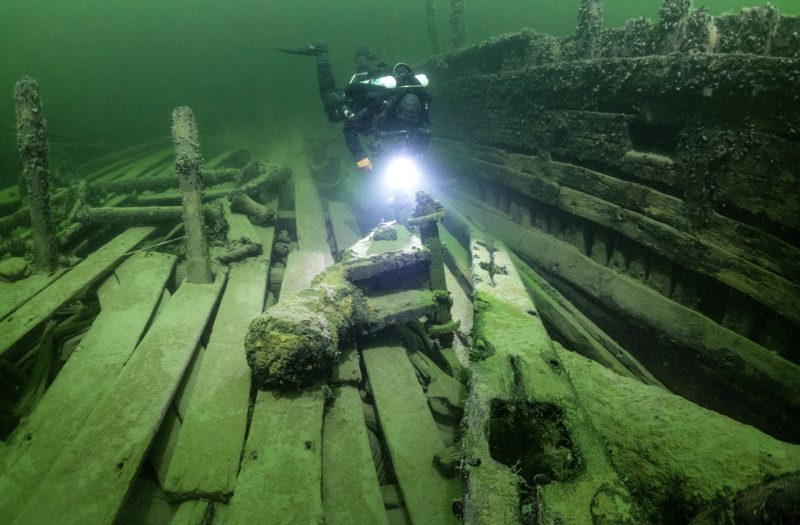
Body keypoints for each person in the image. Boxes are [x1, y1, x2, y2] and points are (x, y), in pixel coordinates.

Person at [277, 43, 432, 172]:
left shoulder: (420, 110)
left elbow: (426, 133)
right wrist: (361, 159)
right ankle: (321, 53)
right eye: (403, 121)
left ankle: (362, 54)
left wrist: (412, 153)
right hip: (362, 102)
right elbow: (349, 129)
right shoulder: (379, 106)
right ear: (396, 110)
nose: (407, 124)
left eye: (410, 122)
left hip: (371, 96)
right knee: (328, 93)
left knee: (365, 81)